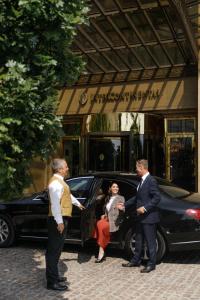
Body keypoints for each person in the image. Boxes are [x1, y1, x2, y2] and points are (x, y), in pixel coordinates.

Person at [45, 158, 84, 291]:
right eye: (66, 167)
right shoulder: (55, 184)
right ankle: (52, 282)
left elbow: (67, 196)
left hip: (61, 218)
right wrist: (59, 222)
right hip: (58, 219)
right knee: (53, 251)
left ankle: (54, 276)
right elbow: (55, 204)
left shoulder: (60, 182)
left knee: (57, 250)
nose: (67, 169)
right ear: (59, 169)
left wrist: (78, 203)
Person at [119, 159, 161, 273]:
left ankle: (151, 264)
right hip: (140, 217)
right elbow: (137, 198)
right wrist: (124, 205)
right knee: (138, 239)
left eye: (137, 168)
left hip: (149, 217)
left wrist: (145, 208)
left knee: (150, 241)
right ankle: (136, 260)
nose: (136, 170)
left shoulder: (151, 180)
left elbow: (157, 198)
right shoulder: (142, 181)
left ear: (142, 167)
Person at [93, 182, 125, 263]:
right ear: (110, 188)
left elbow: (123, 209)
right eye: (114, 187)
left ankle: (101, 252)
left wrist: (121, 209)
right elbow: (107, 211)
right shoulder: (108, 198)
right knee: (99, 223)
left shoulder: (121, 198)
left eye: (117, 187)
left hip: (114, 221)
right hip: (107, 219)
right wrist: (104, 215)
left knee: (102, 227)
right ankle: (102, 251)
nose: (115, 188)